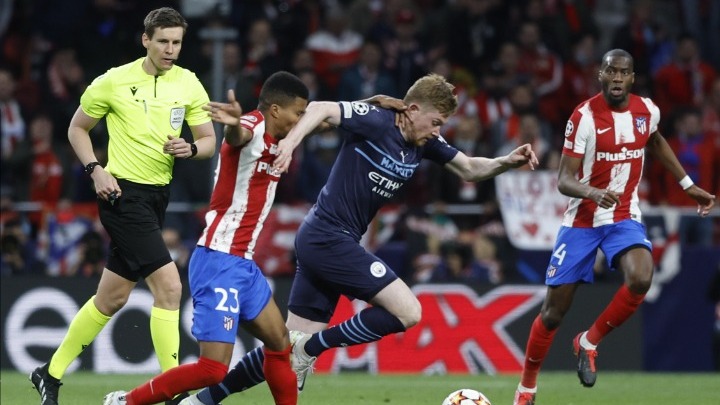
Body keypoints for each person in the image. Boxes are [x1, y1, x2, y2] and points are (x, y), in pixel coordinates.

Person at [186, 73, 538, 405]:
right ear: (414, 110)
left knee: (282, 349)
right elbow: (321, 108)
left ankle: (203, 400)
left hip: (329, 241)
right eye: (435, 122)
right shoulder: (377, 121)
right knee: (408, 311)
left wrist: (507, 161)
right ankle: (311, 348)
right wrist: (290, 144)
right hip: (328, 236)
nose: (437, 131)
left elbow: (470, 168)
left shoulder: (425, 143)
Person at [29, 7, 217, 405]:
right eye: (163, 41)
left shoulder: (188, 83)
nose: (170, 49)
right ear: (146, 40)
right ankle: (173, 390)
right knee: (170, 287)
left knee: (111, 298)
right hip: (121, 195)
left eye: (177, 42)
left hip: (157, 197)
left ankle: (50, 372)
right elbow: (77, 128)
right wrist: (95, 170)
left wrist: (190, 148)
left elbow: (208, 141)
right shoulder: (114, 81)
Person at [512, 49, 716, 405]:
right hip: (582, 221)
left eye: (624, 72)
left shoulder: (646, 110)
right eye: (611, 71)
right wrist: (593, 192)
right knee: (553, 313)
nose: (617, 77)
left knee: (641, 277)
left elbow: (654, 139)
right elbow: (563, 179)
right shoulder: (583, 117)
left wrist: (687, 185)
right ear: (601, 75)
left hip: (623, 216)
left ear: (632, 77)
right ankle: (526, 389)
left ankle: (588, 342)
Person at [102, 71, 310, 405]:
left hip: (243, 263)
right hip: (218, 260)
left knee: (280, 344)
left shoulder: (280, 137)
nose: (301, 120)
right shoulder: (252, 127)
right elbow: (238, 136)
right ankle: (126, 402)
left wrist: (372, 106)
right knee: (213, 369)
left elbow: (322, 118)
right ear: (275, 110)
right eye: (297, 113)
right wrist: (233, 124)